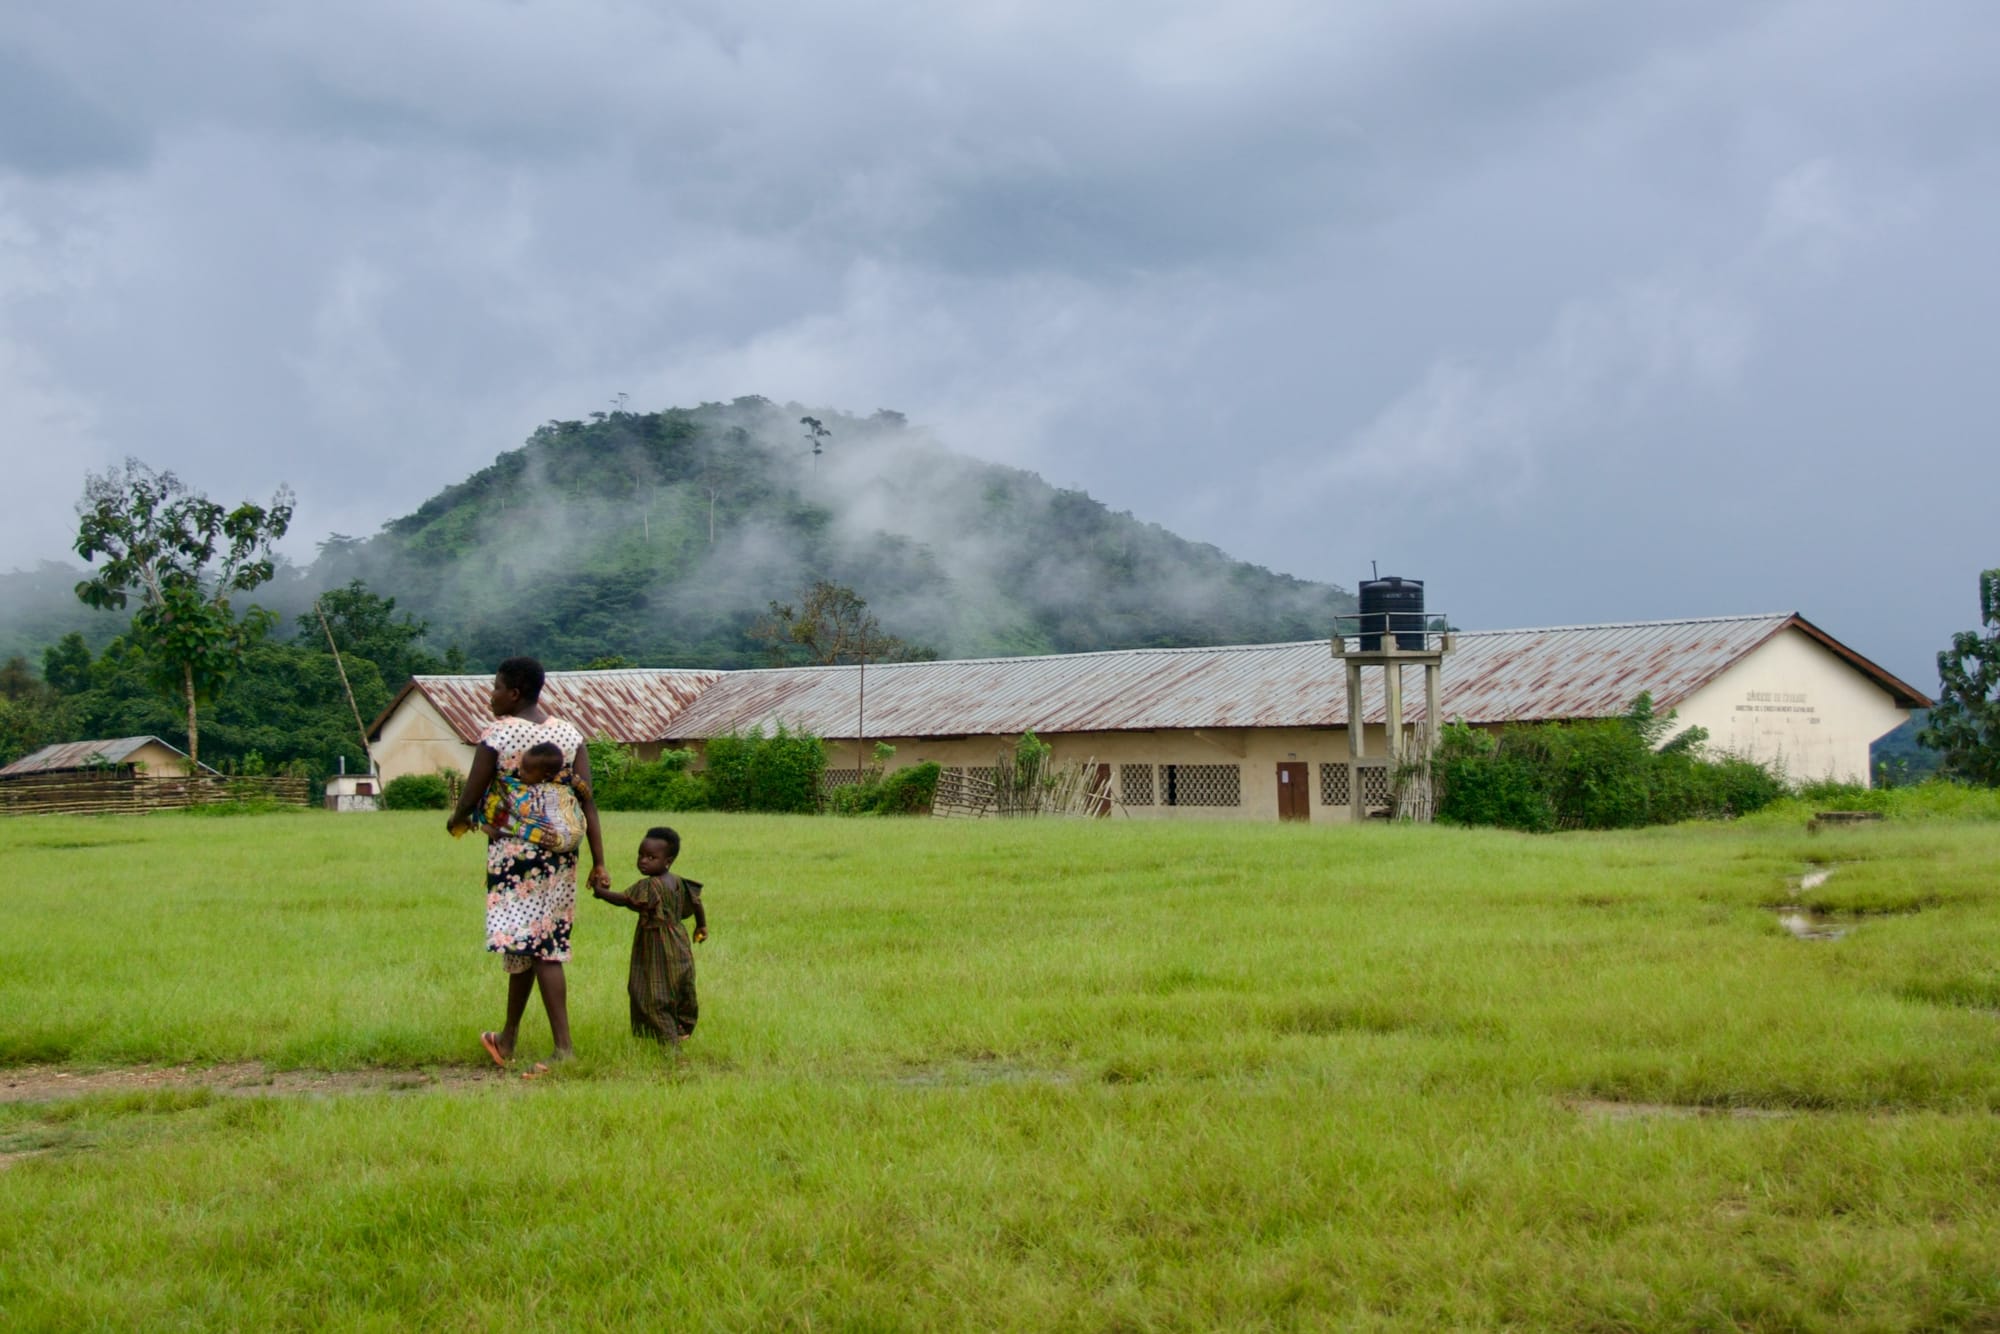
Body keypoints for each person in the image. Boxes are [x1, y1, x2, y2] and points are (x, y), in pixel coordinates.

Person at [446, 656, 610, 1074]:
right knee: (527, 943)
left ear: (514, 693)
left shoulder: (498, 734)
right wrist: (599, 862)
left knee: (541, 948)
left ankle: (564, 1049)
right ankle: (507, 1038)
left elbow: (472, 792)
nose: (491, 695)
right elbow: (587, 802)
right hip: (561, 855)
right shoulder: (569, 734)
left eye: (496, 687)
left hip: (516, 855)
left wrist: (457, 820)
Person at [593, 825, 706, 1043]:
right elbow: (697, 902)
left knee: (651, 990)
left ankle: (667, 1040)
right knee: (679, 984)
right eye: (641, 855)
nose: (643, 860)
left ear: (668, 861)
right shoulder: (679, 882)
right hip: (679, 941)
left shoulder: (650, 885)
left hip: (656, 943)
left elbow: (625, 900)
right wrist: (702, 926)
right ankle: (680, 1027)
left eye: (651, 857)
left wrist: (601, 892)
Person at [474, 741, 589, 850]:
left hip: (562, 837)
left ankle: (501, 834)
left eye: (526, 771)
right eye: (521, 768)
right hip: (565, 840)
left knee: (524, 824)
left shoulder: (564, 781)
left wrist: (578, 784)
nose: (521, 773)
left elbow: (586, 794)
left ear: (546, 774)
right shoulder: (554, 779)